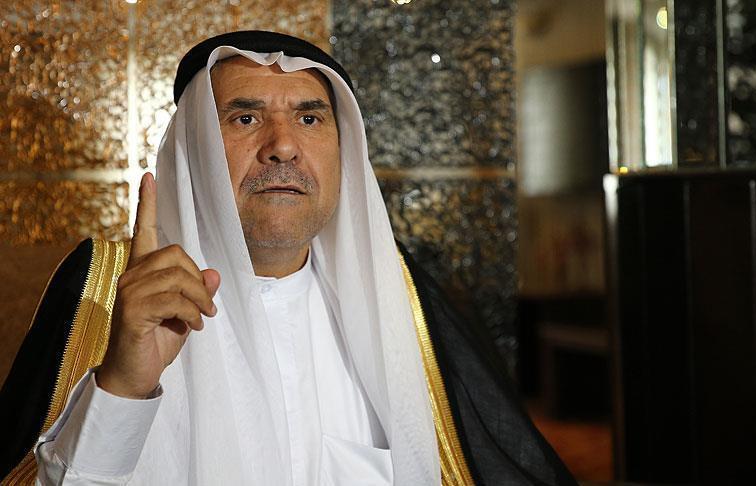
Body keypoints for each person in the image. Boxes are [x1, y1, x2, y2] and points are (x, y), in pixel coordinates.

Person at [0, 31, 576, 485]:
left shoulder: (400, 298)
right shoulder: (106, 287)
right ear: (195, 150)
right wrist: (121, 387)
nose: (282, 146)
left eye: (309, 118)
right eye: (245, 118)